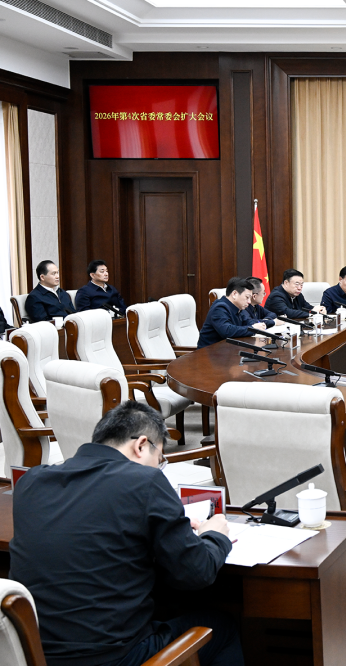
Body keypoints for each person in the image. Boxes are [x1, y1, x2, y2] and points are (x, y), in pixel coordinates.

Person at [8, 401, 242, 666]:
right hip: (111, 659)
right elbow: (197, 572)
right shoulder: (145, 481)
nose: (157, 468)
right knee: (221, 627)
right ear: (141, 445)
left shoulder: (31, 481)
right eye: (160, 460)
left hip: (33, 654)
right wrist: (215, 535)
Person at [197, 277, 265, 348]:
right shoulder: (219, 308)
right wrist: (253, 329)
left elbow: (248, 322)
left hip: (227, 349)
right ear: (234, 294)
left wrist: (260, 325)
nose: (249, 302)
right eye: (247, 297)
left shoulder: (238, 308)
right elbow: (227, 331)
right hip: (209, 352)